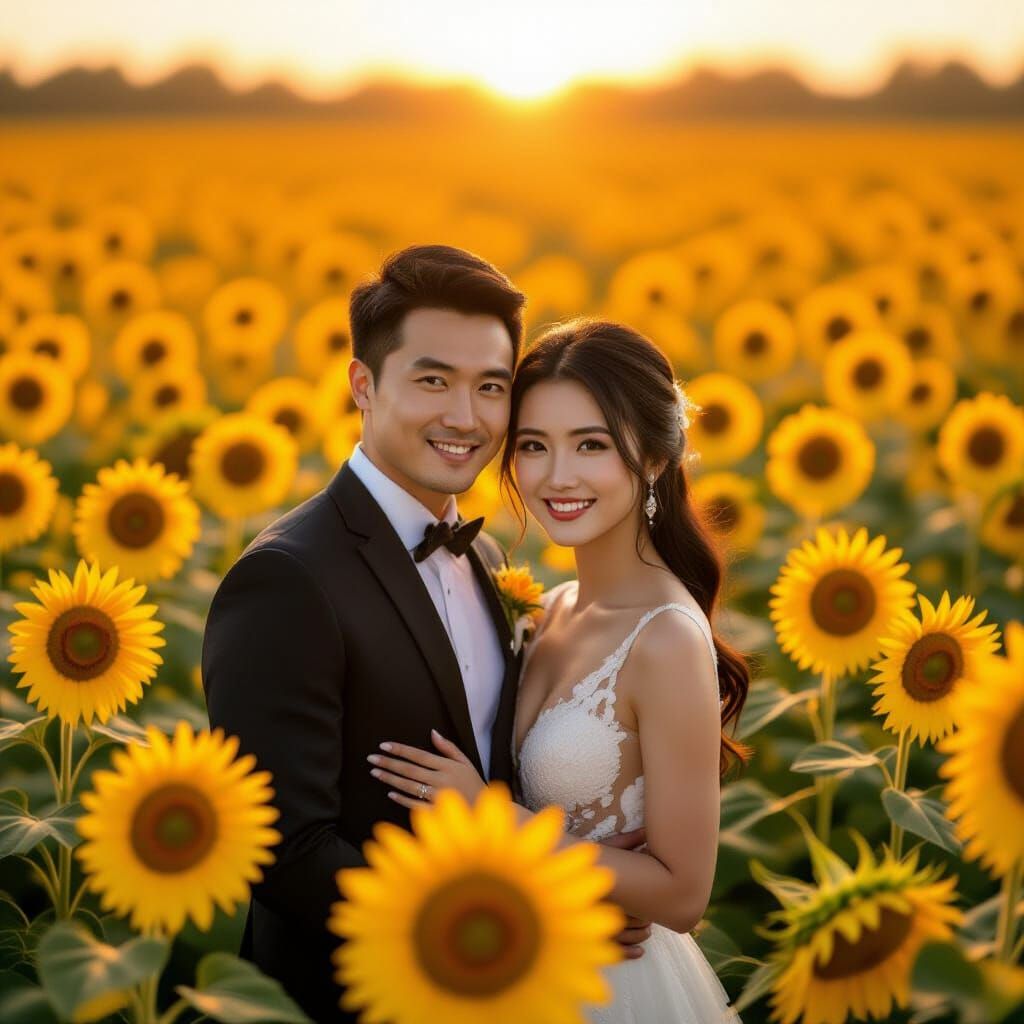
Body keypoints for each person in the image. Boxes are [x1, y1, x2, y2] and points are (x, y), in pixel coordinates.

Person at [201, 249, 651, 1023]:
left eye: (491, 388)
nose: (466, 418)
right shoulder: (285, 580)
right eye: (433, 380)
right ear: (363, 386)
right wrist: (495, 929)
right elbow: (285, 856)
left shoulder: (478, 555)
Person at [373, 318, 751, 1023]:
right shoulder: (549, 609)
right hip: (519, 954)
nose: (557, 477)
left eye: (592, 445)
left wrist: (496, 818)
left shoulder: (664, 638)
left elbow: (680, 894)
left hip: (613, 990)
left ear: (656, 460)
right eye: (534, 447)